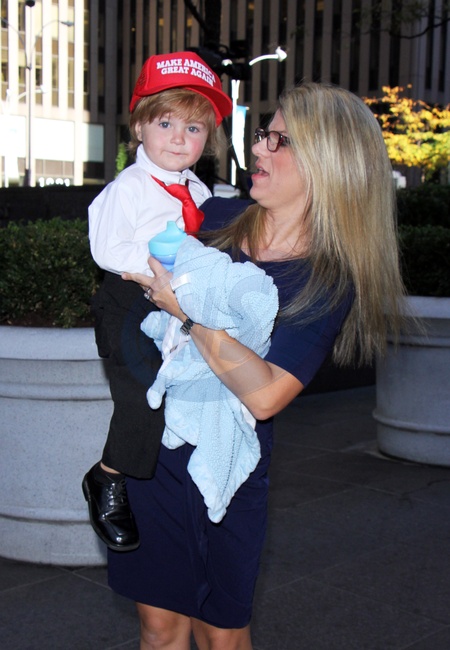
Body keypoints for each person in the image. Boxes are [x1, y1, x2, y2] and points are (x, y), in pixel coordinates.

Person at [111, 81, 406, 649]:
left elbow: (266, 395)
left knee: (220, 635)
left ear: (329, 162)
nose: (258, 147)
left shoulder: (325, 279)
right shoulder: (213, 216)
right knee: (159, 627)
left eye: (280, 140)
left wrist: (187, 313)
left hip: (229, 468)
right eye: (264, 133)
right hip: (153, 451)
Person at [82, 51, 232, 552]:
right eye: (165, 123)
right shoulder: (128, 188)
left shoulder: (199, 191)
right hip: (131, 301)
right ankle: (107, 476)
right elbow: (107, 249)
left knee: (191, 389)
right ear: (139, 128)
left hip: (174, 305)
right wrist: (162, 265)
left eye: (193, 128)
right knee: (144, 395)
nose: (178, 138)